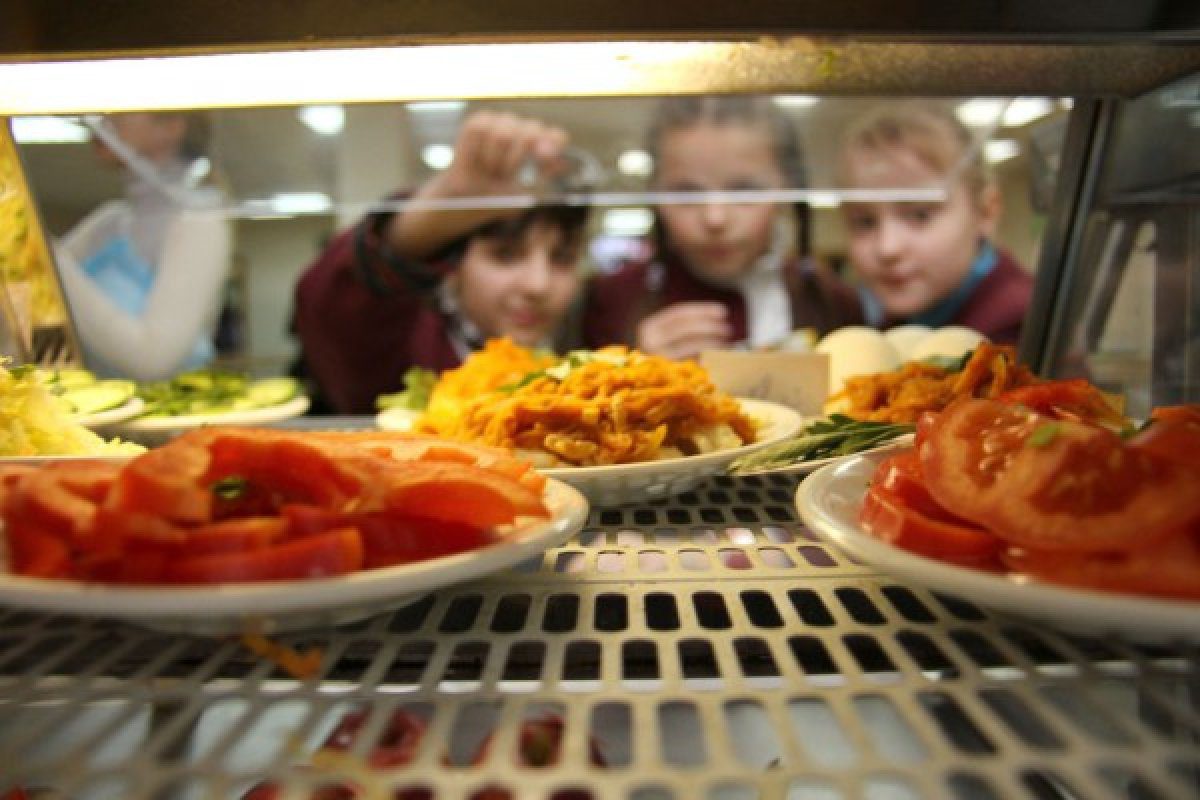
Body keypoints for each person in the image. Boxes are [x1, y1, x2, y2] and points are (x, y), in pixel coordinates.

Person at [292, 111, 589, 414]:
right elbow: (328, 304)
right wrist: (436, 213)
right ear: (455, 268)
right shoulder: (404, 347)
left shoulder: (579, 355)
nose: (538, 284)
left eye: (562, 259)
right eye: (505, 256)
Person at [583, 96, 862, 360]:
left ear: (787, 188)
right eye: (687, 193)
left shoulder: (831, 301)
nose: (715, 218)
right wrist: (634, 369)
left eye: (745, 190)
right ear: (654, 193)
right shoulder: (611, 301)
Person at [838, 101, 1034, 345]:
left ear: (985, 212)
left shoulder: (1025, 332)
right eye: (865, 222)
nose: (887, 248)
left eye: (920, 215)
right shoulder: (905, 321)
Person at [54, 112, 232, 380]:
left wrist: (50, 261)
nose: (104, 118)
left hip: (170, 406)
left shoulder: (198, 224)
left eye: (121, 108)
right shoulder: (108, 223)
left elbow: (153, 361)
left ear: (172, 127)